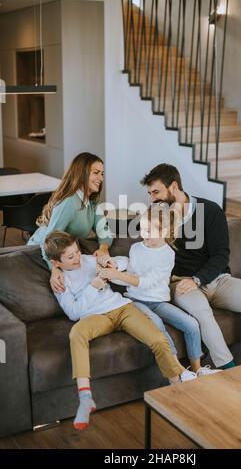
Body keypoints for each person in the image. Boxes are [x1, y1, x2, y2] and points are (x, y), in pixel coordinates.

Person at [44, 231, 198, 431]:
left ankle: (176, 390)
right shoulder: (61, 282)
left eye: (78, 251)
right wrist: (93, 287)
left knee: (158, 339)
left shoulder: (89, 261)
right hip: (95, 318)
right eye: (71, 257)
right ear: (56, 263)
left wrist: (112, 264)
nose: (78, 258)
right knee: (76, 333)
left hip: (122, 308)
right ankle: (85, 398)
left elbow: (125, 261)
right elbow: (73, 313)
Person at [140, 163, 241, 369]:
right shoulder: (159, 218)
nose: (152, 198)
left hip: (216, 280)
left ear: (173, 187)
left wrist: (198, 279)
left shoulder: (210, 211)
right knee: (202, 312)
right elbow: (144, 242)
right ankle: (228, 368)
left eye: (156, 192)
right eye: (149, 193)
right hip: (180, 283)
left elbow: (221, 255)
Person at [99, 205, 219, 376]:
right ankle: (178, 370)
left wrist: (117, 274)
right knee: (157, 324)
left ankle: (197, 369)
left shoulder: (167, 254)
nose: (143, 234)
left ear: (163, 232)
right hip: (135, 300)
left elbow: (147, 282)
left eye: (149, 230)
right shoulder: (136, 248)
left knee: (192, 325)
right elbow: (131, 272)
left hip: (159, 301)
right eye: (142, 228)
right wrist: (114, 270)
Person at [28, 153, 113, 293]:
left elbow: (104, 230)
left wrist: (103, 248)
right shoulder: (69, 202)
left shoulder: (91, 201)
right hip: (42, 252)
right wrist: (54, 269)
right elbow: (49, 240)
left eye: (102, 174)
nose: (101, 178)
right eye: (96, 173)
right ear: (82, 174)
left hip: (64, 255)